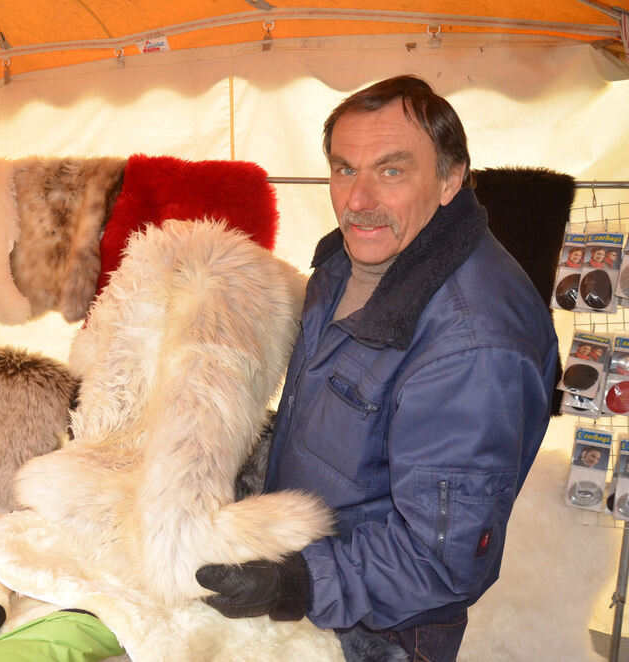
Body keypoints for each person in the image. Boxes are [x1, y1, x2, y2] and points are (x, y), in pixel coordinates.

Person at [196, 75, 557, 661]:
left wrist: (297, 582)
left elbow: (443, 558)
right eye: (344, 169)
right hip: (308, 568)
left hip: (380, 631)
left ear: (449, 179)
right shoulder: (346, 261)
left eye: (391, 171)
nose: (358, 200)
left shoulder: (474, 345)